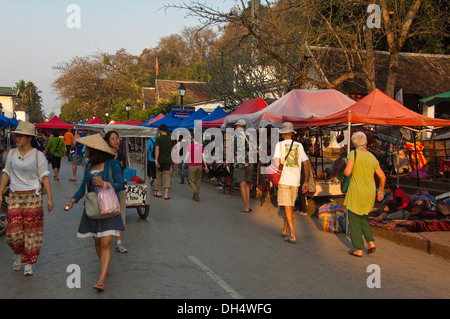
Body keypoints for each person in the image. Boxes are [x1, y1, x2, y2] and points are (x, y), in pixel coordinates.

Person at [63, 133, 125, 291]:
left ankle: (102, 278)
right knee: (97, 242)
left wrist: (105, 183)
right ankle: (105, 267)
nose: (85, 150)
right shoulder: (89, 167)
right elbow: (83, 186)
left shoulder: (112, 163)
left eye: (88, 148)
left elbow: (120, 184)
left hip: (109, 208)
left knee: (106, 243)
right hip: (92, 208)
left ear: (95, 149)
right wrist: (72, 201)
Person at [0, 121, 53, 276]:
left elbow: (45, 178)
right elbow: (6, 173)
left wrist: (50, 198)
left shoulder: (38, 155)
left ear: (29, 138)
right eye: (16, 135)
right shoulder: (11, 154)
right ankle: (19, 253)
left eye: (20, 135)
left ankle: (28, 262)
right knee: (13, 232)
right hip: (15, 195)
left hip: (33, 196)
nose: (17, 138)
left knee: (31, 232)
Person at [344, 131, 386, 257]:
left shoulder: (353, 154)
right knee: (364, 217)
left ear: (353, 143)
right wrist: (380, 191)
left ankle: (358, 248)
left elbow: (347, 172)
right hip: (370, 191)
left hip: (356, 191)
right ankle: (371, 242)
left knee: (354, 219)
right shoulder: (372, 157)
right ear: (366, 142)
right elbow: (382, 176)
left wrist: (345, 166)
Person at [273, 122, 309, 244]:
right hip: (296, 180)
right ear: (291, 134)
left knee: (288, 207)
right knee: (290, 206)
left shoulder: (279, 145)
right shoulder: (299, 146)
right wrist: (306, 181)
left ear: (283, 134)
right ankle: (284, 229)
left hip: (284, 180)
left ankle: (292, 234)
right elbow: (306, 163)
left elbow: (277, 164)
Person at [104, 131, 128, 254]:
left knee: (121, 215)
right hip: (106, 190)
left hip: (119, 189)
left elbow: (123, 172)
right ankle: (104, 240)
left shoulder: (121, 156)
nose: (116, 141)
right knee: (106, 216)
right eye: (113, 139)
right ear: (108, 141)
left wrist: (122, 184)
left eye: (117, 138)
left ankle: (118, 242)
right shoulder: (103, 155)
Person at [232, 119, 256, 213]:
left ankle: (246, 206)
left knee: (242, 184)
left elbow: (233, 149)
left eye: (236, 126)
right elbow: (256, 149)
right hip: (250, 162)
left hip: (240, 162)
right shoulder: (251, 136)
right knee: (247, 183)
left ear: (238, 127)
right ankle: (248, 205)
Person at [183, 131, 209, 201]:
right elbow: (203, 158)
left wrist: (184, 162)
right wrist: (206, 166)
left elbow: (187, 155)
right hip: (199, 166)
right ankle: (196, 195)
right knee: (198, 181)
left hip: (192, 165)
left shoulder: (190, 146)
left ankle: (195, 191)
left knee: (191, 180)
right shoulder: (201, 147)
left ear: (193, 139)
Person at [154, 124, 176, 200]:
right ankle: (166, 194)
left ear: (160, 131)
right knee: (168, 177)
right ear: (166, 130)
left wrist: (156, 160)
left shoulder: (158, 139)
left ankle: (159, 192)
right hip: (168, 161)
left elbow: (157, 149)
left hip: (160, 161)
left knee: (159, 176)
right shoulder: (171, 139)